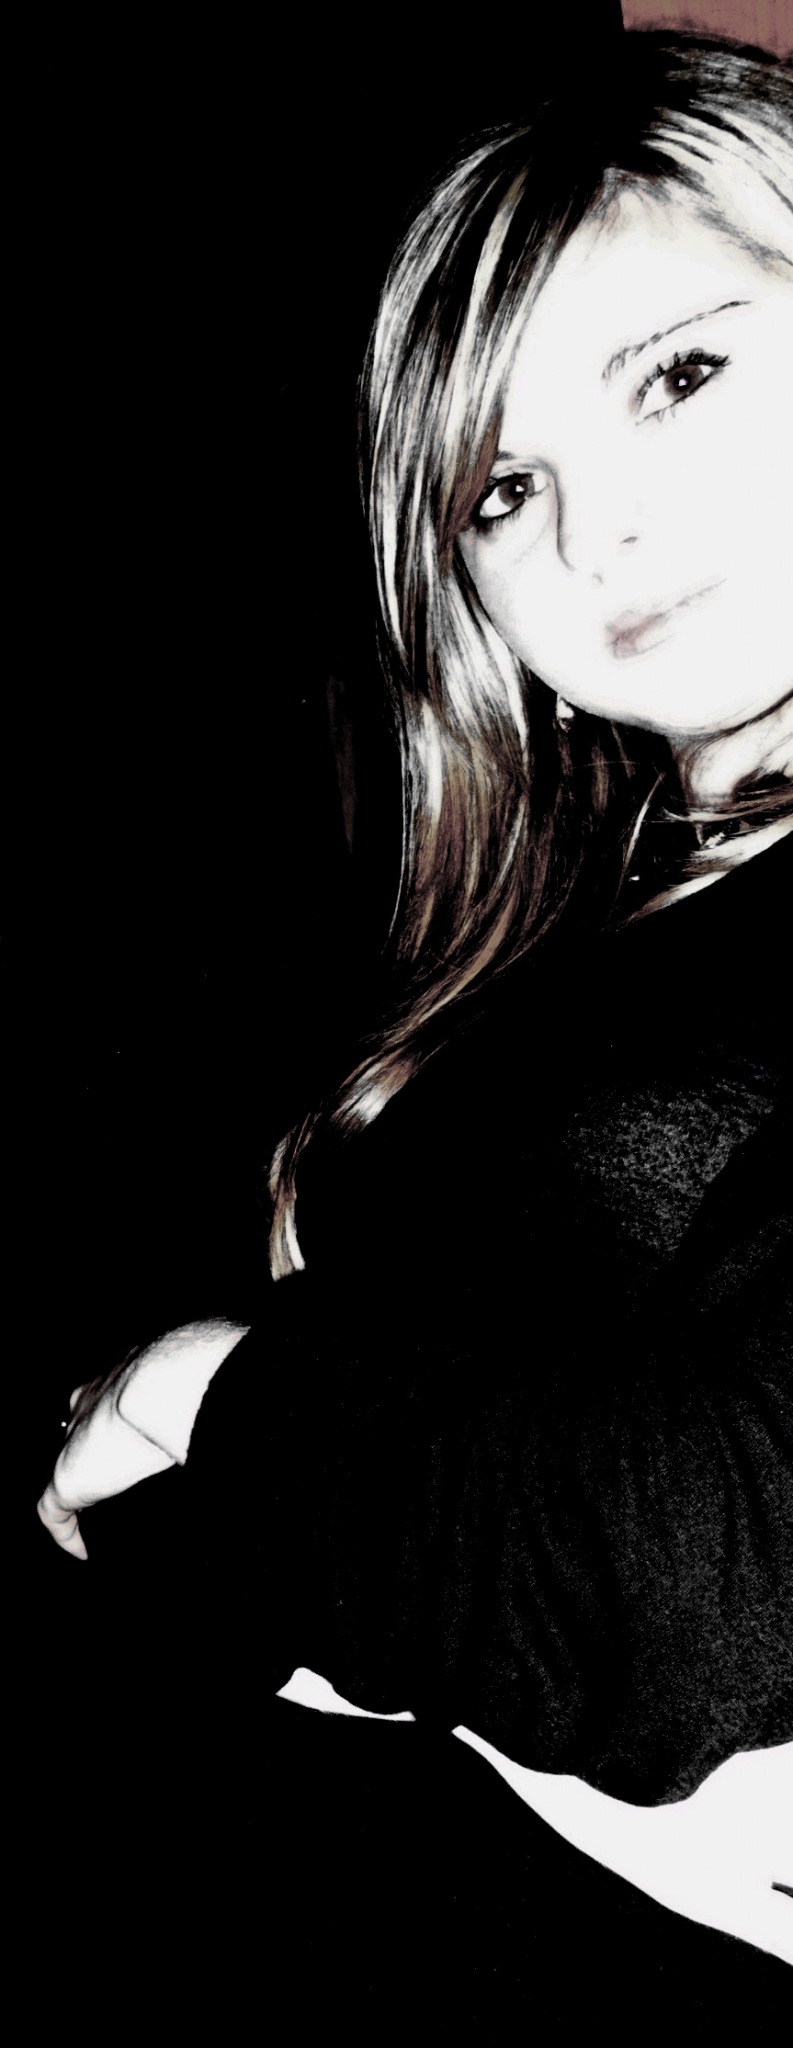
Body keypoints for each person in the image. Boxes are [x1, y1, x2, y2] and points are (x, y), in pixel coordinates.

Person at [37, 29, 792, 1997]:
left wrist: (202, 1387)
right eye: (500, 488)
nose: (592, 537)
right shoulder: (552, 935)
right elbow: (178, 1553)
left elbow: (685, 1598)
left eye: (679, 376)